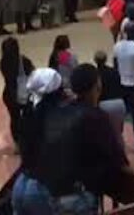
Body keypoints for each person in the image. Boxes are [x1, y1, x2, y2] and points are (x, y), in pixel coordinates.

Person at [13, 65, 127, 215]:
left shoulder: (41, 113)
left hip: (24, 184)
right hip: (64, 194)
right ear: (97, 86)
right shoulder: (92, 116)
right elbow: (116, 156)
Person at [113, 22, 134, 151]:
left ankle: (119, 140)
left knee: (121, 115)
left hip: (121, 83)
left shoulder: (117, 46)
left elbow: (115, 64)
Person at [0, 37, 33, 153]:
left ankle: (17, 144)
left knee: (14, 119)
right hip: (24, 94)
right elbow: (32, 74)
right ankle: (28, 141)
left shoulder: (3, 62)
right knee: (28, 117)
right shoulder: (23, 61)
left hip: (9, 94)